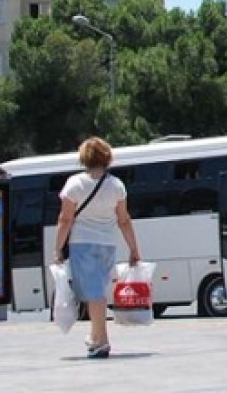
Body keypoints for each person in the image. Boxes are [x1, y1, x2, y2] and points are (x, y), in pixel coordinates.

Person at [52, 136, 141, 360]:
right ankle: (95, 337)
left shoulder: (75, 184)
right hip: (108, 244)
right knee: (96, 290)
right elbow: (124, 220)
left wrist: (58, 248)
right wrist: (133, 249)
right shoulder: (116, 185)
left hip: (82, 244)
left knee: (94, 293)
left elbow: (65, 219)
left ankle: (102, 342)